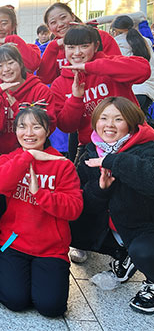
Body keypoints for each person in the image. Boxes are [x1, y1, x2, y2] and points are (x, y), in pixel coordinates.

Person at [0, 106, 83, 317]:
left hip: (50, 249)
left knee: (51, 308)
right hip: (12, 243)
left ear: (47, 131)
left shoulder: (62, 164)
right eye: (22, 127)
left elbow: (74, 208)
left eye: (36, 127)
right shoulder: (8, 159)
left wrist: (41, 195)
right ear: (15, 131)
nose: (29, 133)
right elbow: (0, 185)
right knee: (14, 301)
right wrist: (27, 157)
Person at [70, 97, 154, 314]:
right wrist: (100, 189)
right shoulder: (92, 151)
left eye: (118, 119)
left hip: (145, 226)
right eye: (103, 118)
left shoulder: (147, 146)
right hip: (118, 224)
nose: (109, 124)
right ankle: (122, 254)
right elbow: (81, 200)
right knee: (69, 223)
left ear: (132, 122)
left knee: (144, 251)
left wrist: (113, 161)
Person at [51, 25, 150, 147]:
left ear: (96, 46)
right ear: (64, 49)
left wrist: (89, 67)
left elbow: (144, 70)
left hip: (133, 140)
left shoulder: (110, 66)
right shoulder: (60, 84)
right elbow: (66, 126)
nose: (77, 52)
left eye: (84, 46)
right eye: (71, 47)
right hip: (94, 147)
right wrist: (76, 98)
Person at [0, 44, 56, 161]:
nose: (6, 69)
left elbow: (47, 126)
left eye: (10, 63)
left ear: (21, 64)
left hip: (35, 155)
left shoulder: (40, 90)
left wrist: (17, 108)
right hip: (1, 158)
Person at [38, 2, 121, 84]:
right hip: (69, 96)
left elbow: (118, 68)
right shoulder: (53, 49)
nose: (60, 24)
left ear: (73, 16)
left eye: (63, 17)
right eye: (53, 22)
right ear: (49, 28)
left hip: (104, 93)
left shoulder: (100, 36)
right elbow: (45, 79)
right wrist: (53, 47)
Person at [111, 15, 154, 119]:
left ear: (115, 31)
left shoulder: (115, 44)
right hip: (147, 91)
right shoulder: (146, 42)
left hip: (129, 92)